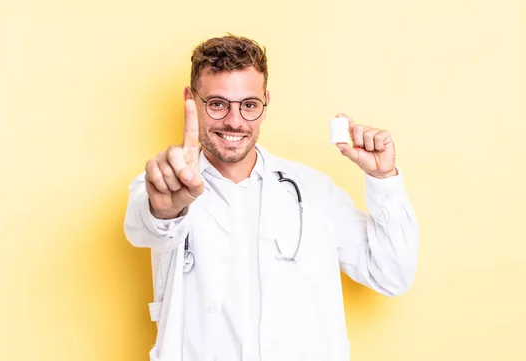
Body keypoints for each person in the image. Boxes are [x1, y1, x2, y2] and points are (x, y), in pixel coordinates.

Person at [124, 35, 419, 361]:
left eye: (249, 105)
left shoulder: (314, 191)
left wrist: (383, 181)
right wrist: (166, 210)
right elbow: (142, 227)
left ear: (265, 102)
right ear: (191, 101)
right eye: (217, 104)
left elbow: (392, 275)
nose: (234, 122)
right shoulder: (164, 184)